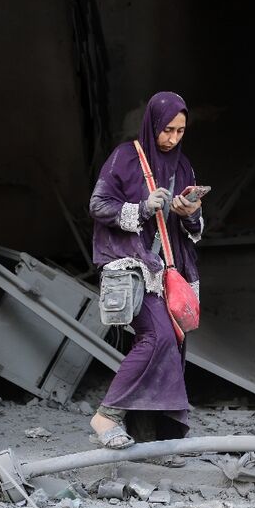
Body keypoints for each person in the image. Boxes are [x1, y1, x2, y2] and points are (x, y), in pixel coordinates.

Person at [88, 92, 203, 457]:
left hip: (170, 272)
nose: (172, 138)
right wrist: (140, 207)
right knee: (157, 338)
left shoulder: (183, 166)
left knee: (173, 346)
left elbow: (194, 228)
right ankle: (106, 417)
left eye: (180, 131)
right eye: (167, 129)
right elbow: (98, 205)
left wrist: (190, 213)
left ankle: (159, 439)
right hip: (135, 267)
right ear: (153, 123)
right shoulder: (125, 157)